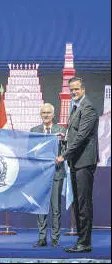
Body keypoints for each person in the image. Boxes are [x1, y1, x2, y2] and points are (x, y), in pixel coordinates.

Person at [56, 77, 99, 253]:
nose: (73, 92)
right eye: (71, 89)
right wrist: (64, 138)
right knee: (78, 203)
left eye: (76, 89)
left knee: (83, 204)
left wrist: (63, 155)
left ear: (83, 89)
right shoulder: (76, 107)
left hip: (84, 162)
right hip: (76, 162)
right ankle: (81, 241)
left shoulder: (87, 107)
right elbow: (74, 134)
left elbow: (81, 137)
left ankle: (84, 243)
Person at [31, 103, 66, 248]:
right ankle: (42, 238)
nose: (46, 115)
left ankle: (55, 239)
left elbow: (67, 149)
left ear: (53, 114)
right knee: (41, 208)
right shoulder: (34, 131)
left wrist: (62, 155)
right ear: (41, 115)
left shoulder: (61, 130)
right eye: (43, 113)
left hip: (56, 173)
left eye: (48, 113)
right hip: (40, 176)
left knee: (56, 208)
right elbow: (30, 151)